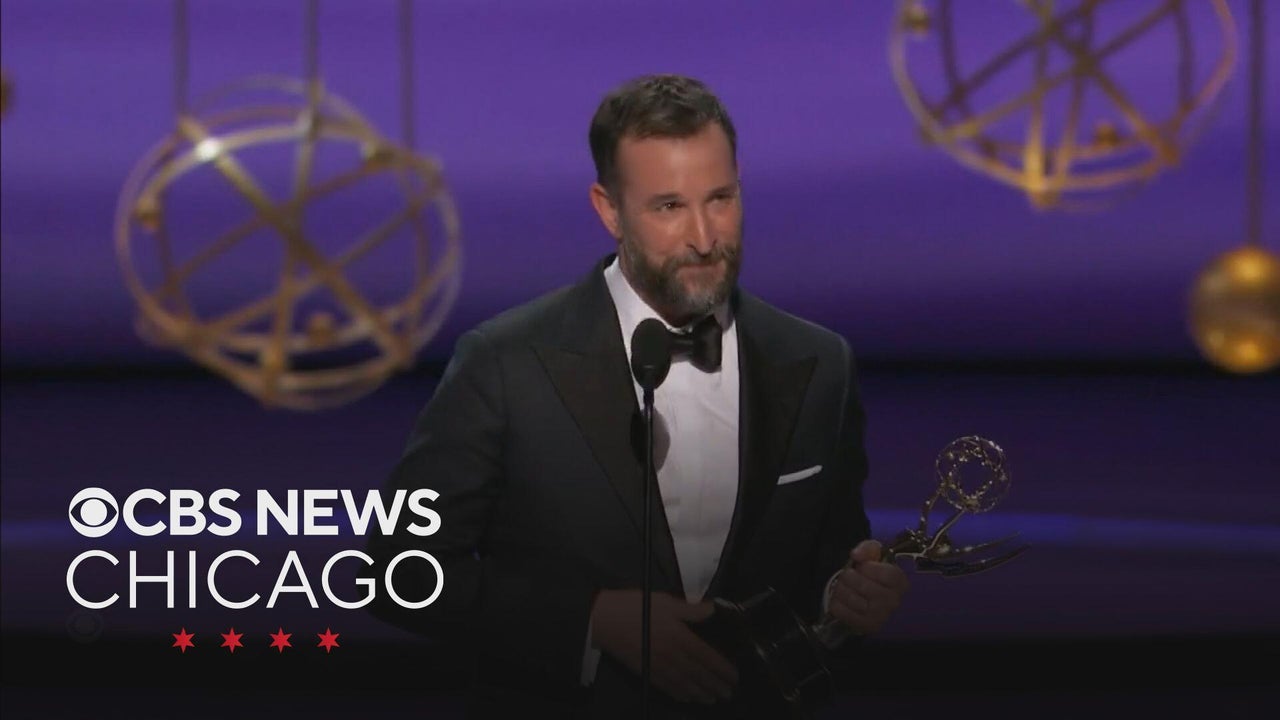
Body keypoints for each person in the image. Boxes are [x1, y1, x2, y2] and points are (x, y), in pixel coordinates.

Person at [363, 73, 910, 719]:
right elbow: (396, 571)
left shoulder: (819, 363)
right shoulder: (506, 363)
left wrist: (847, 604)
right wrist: (592, 622)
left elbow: (827, 568)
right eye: (669, 206)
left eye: (720, 198)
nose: (704, 237)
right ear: (609, 210)